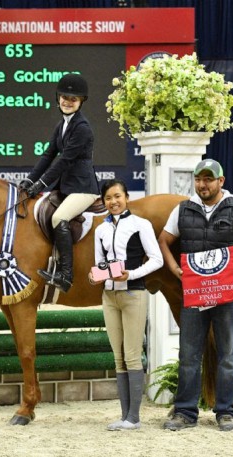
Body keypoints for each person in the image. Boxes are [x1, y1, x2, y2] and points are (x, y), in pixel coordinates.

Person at [158, 158, 233, 432]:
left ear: (221, 181)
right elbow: (164, 240)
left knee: (228, 354)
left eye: (208, 179)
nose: (202, 184)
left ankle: (226, 411)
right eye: (198, 179)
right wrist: (173, 268)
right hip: (194, 294)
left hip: (228, 296)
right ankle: (185, 412)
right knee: (189, 354)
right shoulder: (182, 209)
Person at [89, 179, 163, 431]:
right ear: (103, 202)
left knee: (132, 356)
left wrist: (130, 274)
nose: (113, 201)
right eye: (108, 198)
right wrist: (95, 275)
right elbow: (100, 264)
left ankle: (134, 418)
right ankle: (124, 416)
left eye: (117, 196)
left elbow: (157, 259)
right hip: (109, 297)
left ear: (127, 197)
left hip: (134, 294)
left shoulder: (140, 225)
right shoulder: (100, 228)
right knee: (118, 357)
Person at [19, 73, 100, 293]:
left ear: (81, 101)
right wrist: (30, 179)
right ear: (58, 98)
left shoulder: (82, 128)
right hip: (67, 188)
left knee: (58, 217)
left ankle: (66, 275)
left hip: (84, 188)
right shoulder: (62, 125)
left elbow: (65, 161)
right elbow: (48, 155)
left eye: (73, 99)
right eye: (64, 97)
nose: (67, 101)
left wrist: (42, 184)